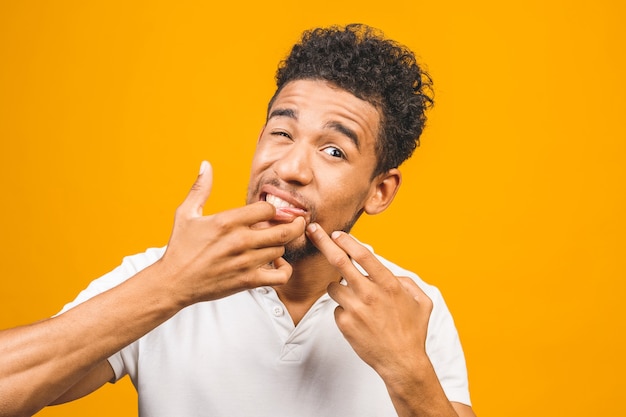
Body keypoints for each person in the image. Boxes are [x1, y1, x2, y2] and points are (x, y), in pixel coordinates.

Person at [0, 24, 476, 417]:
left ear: (379, 190)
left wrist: (411, 373)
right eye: (282, 132)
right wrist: (170, 286)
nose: (290, 167)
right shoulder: (163, 275)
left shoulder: (412, 307)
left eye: (333, 150)